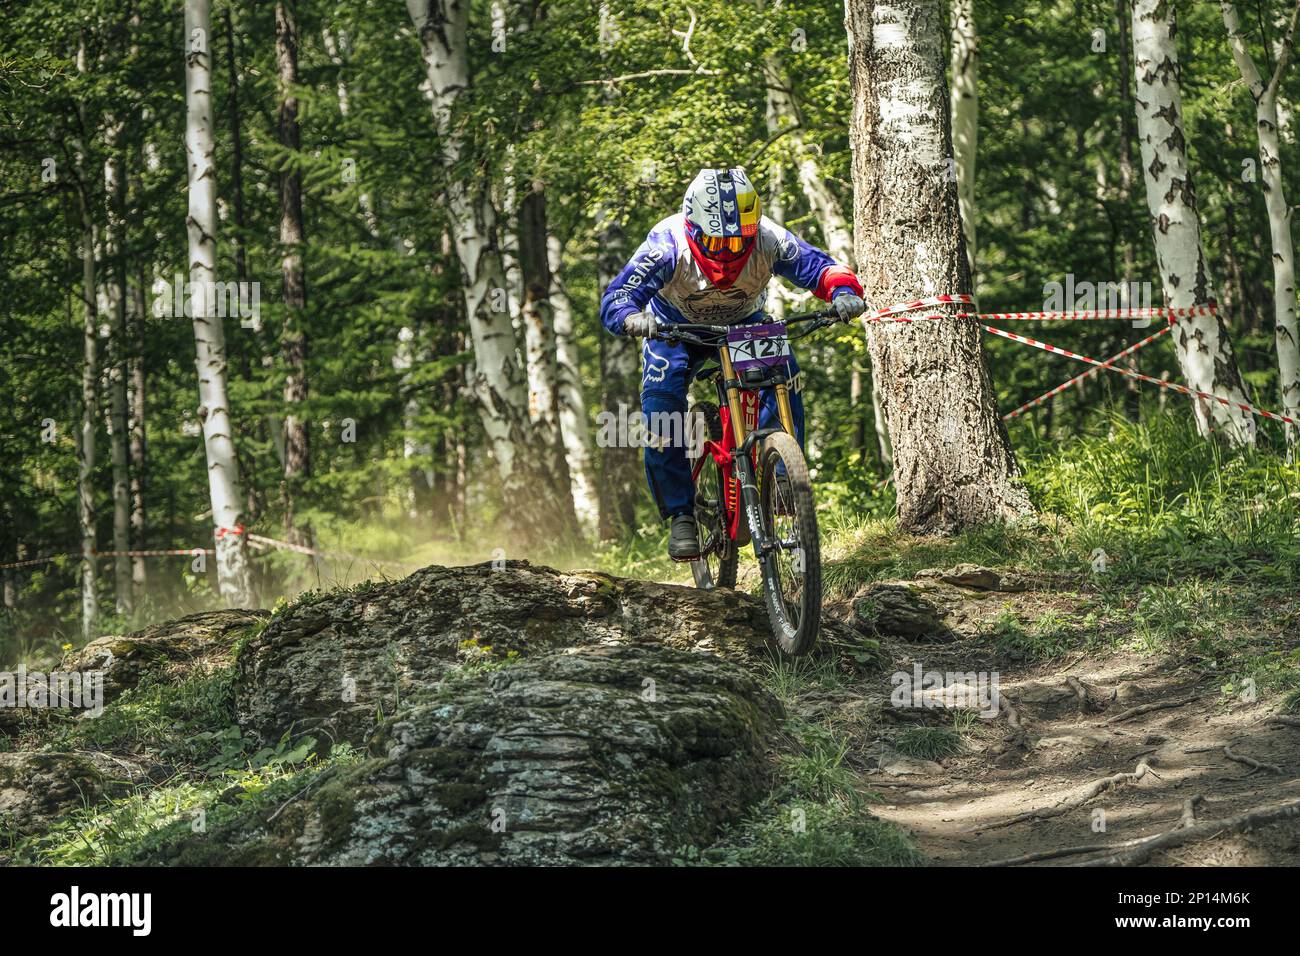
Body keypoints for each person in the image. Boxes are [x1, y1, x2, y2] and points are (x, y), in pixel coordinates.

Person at [600, 166, 866, 560]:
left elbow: (821, 267)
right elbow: (617, 295)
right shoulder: (665, 245)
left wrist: (842, 291)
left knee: (784, 373)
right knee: (662, 408)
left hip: (745, 325)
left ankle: (782, 478)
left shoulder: (769, 238)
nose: (726, 251)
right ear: (692, 228)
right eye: (714, 241)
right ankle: (680, 514)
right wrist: (630, 317)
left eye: (738, 240)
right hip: (676, 331)